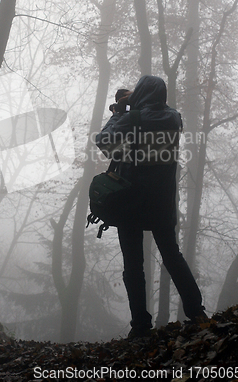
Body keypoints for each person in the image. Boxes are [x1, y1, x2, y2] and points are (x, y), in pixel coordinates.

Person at [96, 75, 206, 339]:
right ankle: (196, 312)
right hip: (162, 202)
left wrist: (120, 111)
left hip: (130, 200)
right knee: (172, 256)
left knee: (133, 265)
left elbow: (103, 142)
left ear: (141, 94)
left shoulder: (131, 119)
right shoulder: (174, 118)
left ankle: (140, 325)